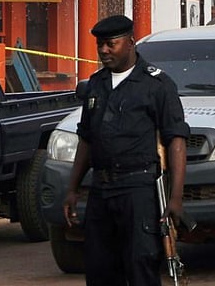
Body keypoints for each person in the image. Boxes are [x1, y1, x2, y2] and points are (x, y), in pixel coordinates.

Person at [63, 15, 190, 286]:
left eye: (111, 44)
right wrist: (72, 188)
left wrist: (176, 198)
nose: (103, 51)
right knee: (99, 269)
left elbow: (175, 141)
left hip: (138, 190)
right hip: (101, 191)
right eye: (100, 45)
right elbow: (87, 139)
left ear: (131, 42)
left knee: (140, 265)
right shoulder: (96, 84)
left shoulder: (157, 85)